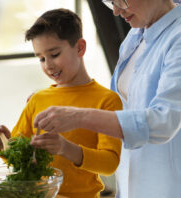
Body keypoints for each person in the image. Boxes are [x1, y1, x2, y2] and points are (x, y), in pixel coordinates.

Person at [31, 1, 181, 198]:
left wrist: (78, 116)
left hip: (165, 185)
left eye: (121, 0)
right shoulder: (136, 35)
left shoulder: (177, 38)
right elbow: (129, 102)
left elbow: (164, 120)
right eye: (110, 2)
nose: (117, 11)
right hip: (129, 182)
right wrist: (60, 97)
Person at [0, 8, 123, 198]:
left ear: (80, 48)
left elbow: (109, 164)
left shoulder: (107, 101)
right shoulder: (38, 99)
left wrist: (66, 148)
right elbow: (19, 160)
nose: (48, 65)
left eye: (54, 54)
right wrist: (3, 145)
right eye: (41, 58)